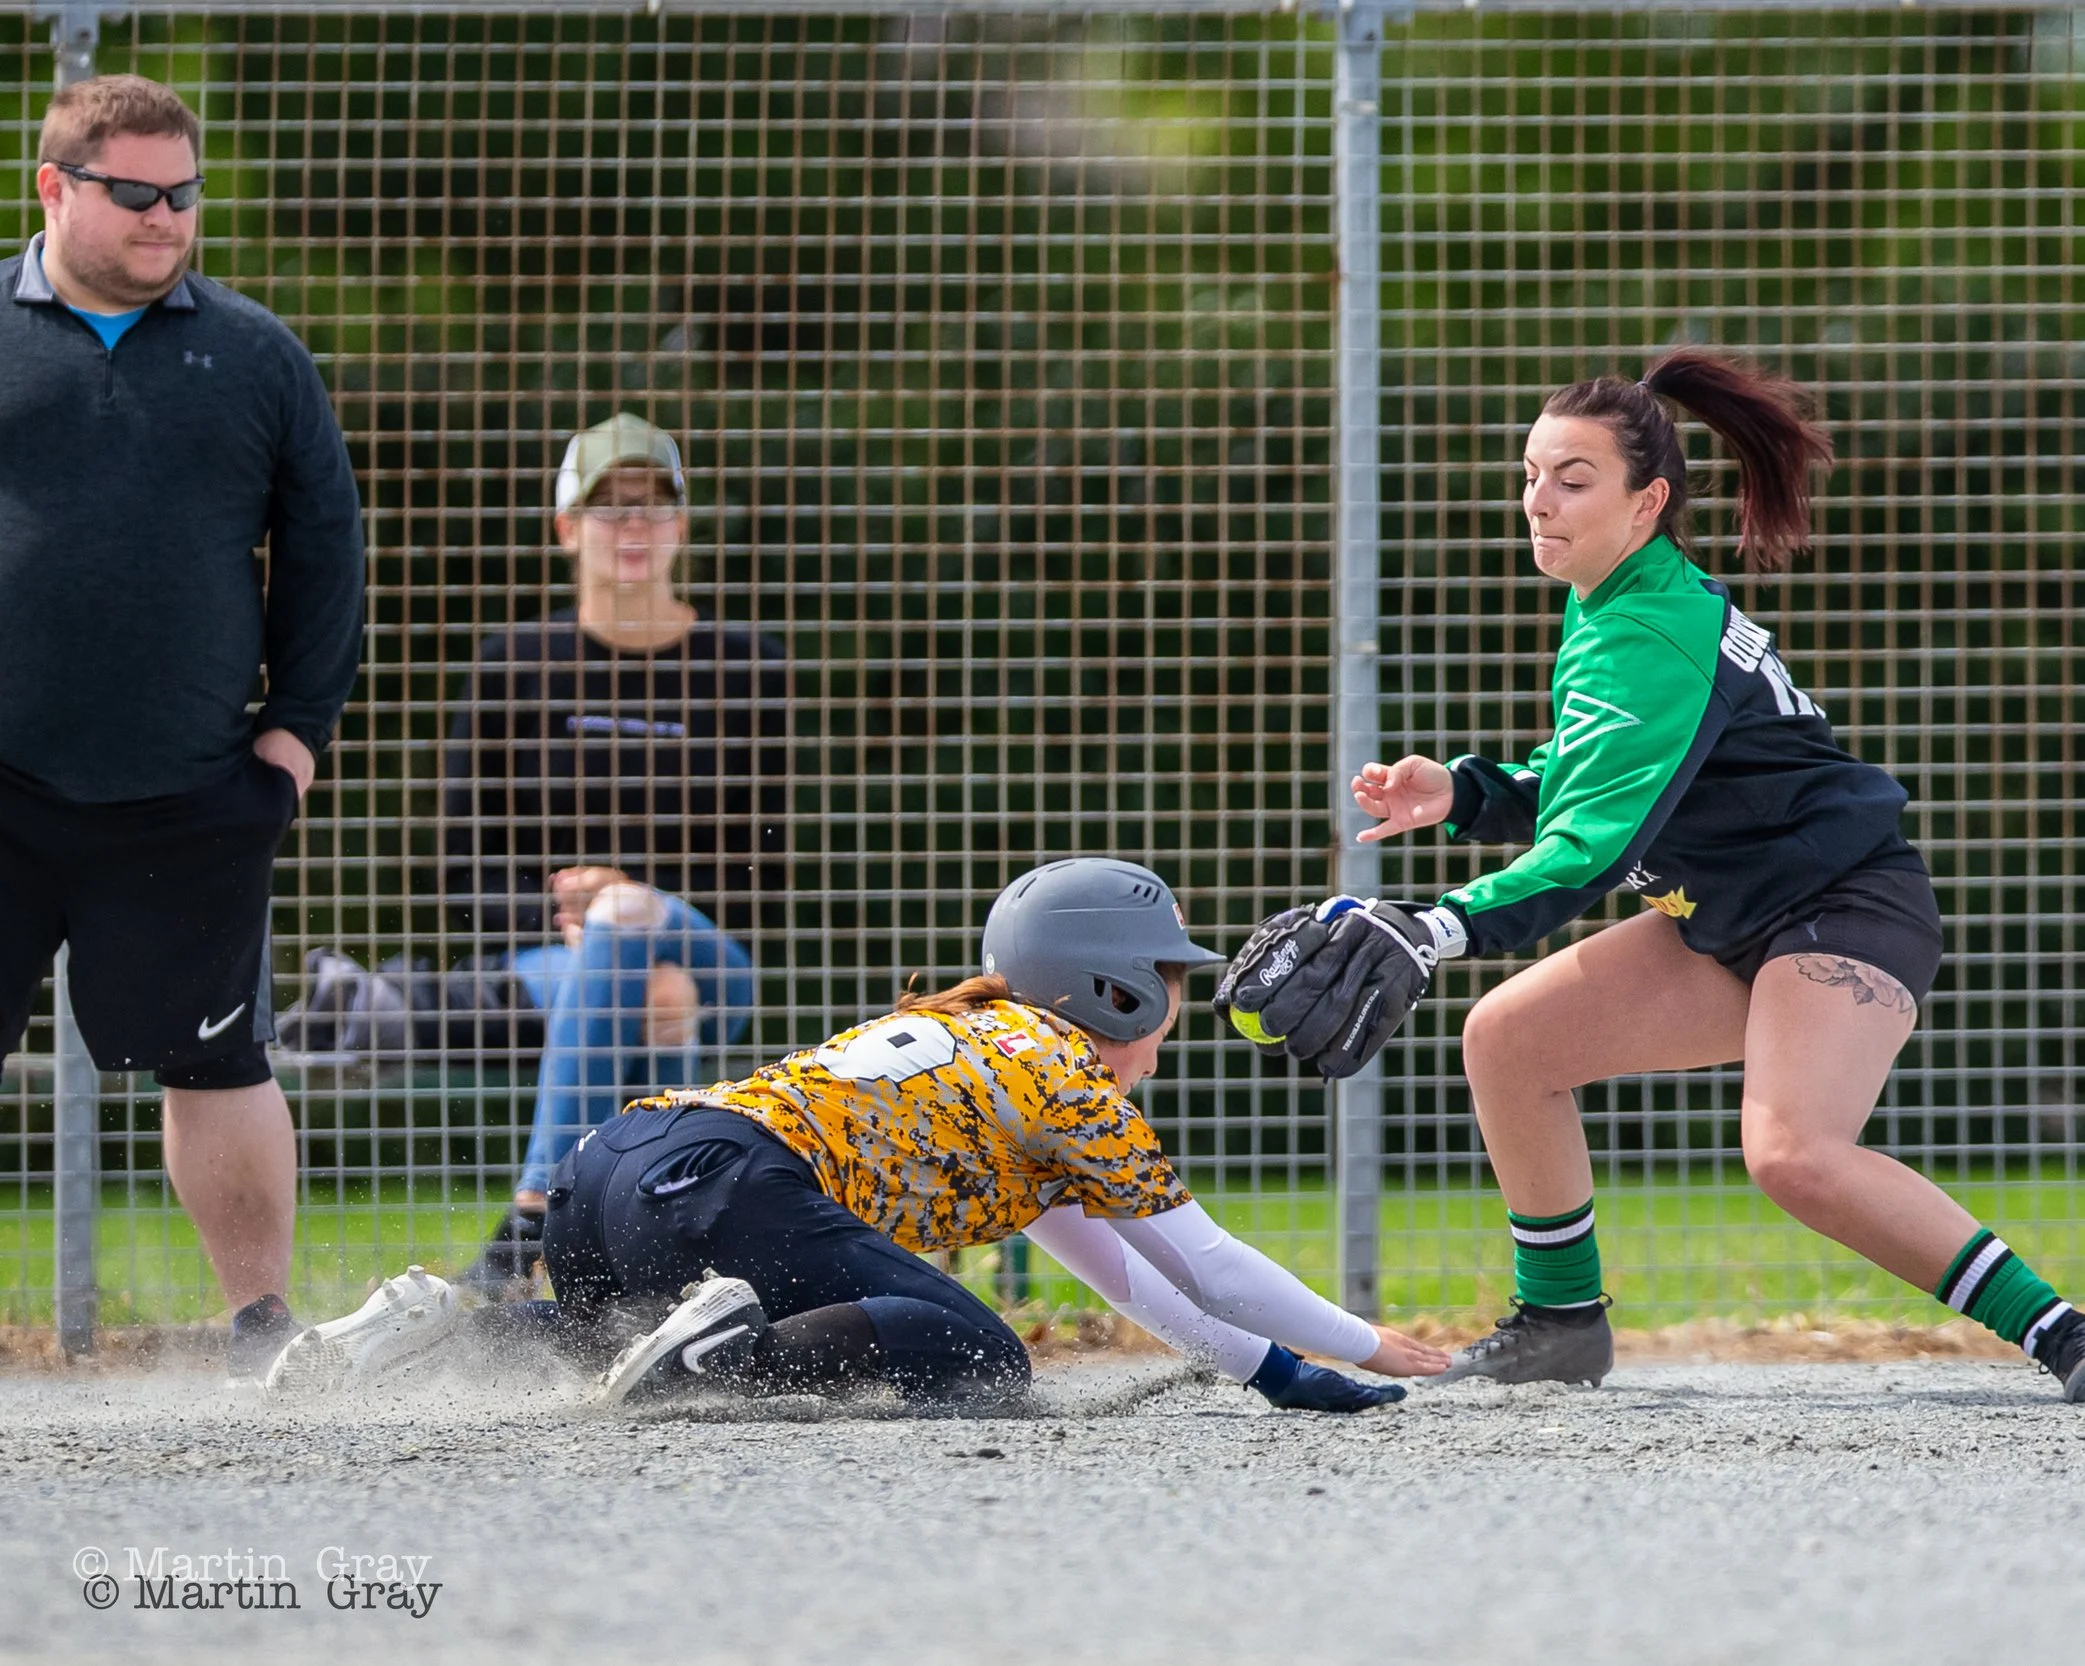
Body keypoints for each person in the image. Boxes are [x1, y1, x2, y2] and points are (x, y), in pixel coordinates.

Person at [1216, 349, 2085, 1402]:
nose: (1538, 500)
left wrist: (1432, 927)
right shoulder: (1616, 602)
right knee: (1511, 1041)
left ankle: (2062, 1329)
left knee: (1792, 1151)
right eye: (1530, 474)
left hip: (1838, 907)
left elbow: (1597, 846)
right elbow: (1611, 782)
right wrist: (1467, 794)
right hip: (1731, 914)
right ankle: (1560, 1323)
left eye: (1573, 479)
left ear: (1646, 500)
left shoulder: (1645, 626)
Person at [268, 859, 1447, 1411]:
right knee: (983, 1359)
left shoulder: (978, 1058)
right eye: (1166, 978)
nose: (1174, 1006)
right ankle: (726, 1346)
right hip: (727, 1186)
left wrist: (1277, 1372)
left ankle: (420, 1335)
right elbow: (1209, 1260)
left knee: (589, 1337)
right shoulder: (1065, 1076)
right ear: (1112, 988)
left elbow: (1156, 1294)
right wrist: (1363, 1345)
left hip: (610, 1168)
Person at [0, 76, 364, 1380]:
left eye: (184, 194)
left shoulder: (254, 353)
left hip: (189, 790)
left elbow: (328, 550)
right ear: (54, 187)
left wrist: (296, 735)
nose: (167, 219)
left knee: (216, 1063)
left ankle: (263, 1333)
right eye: (136, 194)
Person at [434, 413, 788, 1289]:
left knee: (631, 921)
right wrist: (569, 923)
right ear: (565, 526)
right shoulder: (515, 662)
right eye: (610, 506)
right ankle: (641, 1279)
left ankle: (531, 1223)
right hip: (556, 961)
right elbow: (457, 872)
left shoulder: (748, 667)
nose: (634, 527)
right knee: (629, 987)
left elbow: (766, 873)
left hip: (710, 958)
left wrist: (641, 918)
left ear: (683, 527)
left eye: (656, 505)